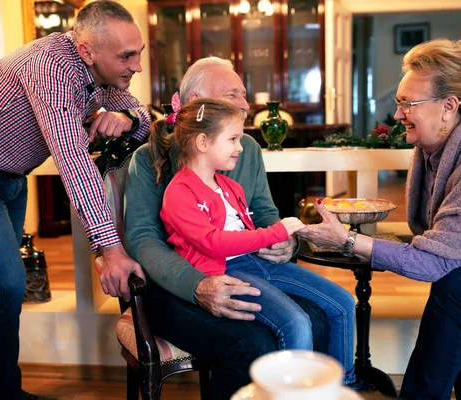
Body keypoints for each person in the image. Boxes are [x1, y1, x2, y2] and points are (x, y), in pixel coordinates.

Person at [0, 1, 149, 399]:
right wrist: (110, 249)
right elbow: (73, 161)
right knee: (9, 283)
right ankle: (1, 393)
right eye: (126, 56)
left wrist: (128, 120)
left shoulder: (102, 72)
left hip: (10, 177)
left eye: (139, 53)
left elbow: (143, 119)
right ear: (87, 50)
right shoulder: (51, 67)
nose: (136, 66)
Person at [297, 39, 461, 400]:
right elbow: (442, 240)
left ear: (448, 107)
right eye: (399, 102)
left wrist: (348, 241)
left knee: (457, 289)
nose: (397, 114)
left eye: (407, 103)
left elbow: (435, 262)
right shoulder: (434, 149)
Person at [124, 57, 330, 399]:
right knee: (252, 342)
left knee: (318, 317)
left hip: (242, 270)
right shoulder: (147, 159)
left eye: (244, 95)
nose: (246, 106)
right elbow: (143, 240)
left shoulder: (247, 147)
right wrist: (198, 285)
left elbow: (265, 213)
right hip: (172, 286)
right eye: (232, 95)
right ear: (195, 105)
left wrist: (286, 244)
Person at [152, 97, 357, 380]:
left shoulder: (230, 185)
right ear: (202, 143)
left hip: (257, 261)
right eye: (233, 139)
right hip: (228, 271)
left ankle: (344, 386)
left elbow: (248, 233)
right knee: (295, 322)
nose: (240, 147)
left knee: (343, 303)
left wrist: (288, 237)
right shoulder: (179, 192)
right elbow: (213, 242)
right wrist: (275, 232)